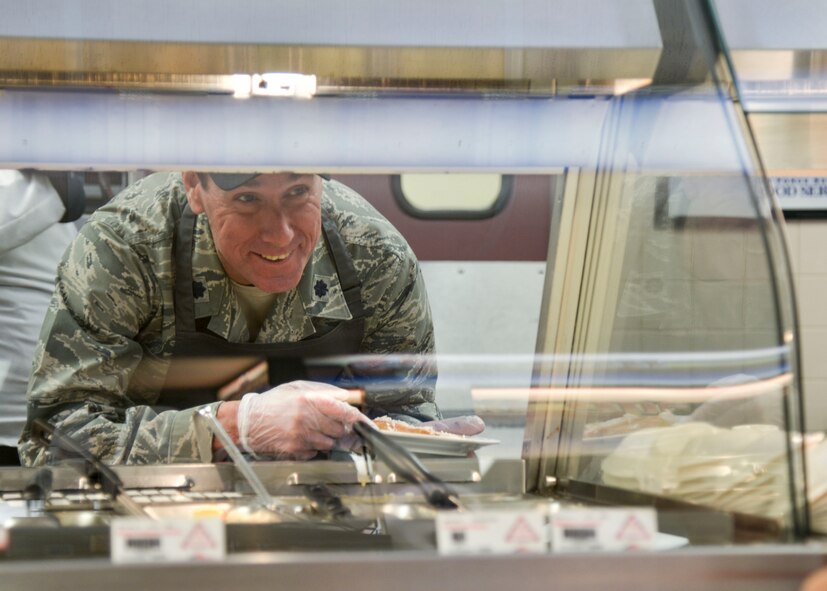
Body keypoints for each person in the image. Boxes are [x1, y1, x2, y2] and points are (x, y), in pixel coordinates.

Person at [19, 171, 442, 465]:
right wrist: (234, 427)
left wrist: (418, 440)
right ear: (194, 187)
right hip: (153, 533)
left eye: (298, 192)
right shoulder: (127, 250)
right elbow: (55, 438)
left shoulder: (375, 254)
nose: (280, 234)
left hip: (327, 521)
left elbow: (407, 416)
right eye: (247, 199)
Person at [0, 170, 81, 465]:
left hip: (22, 405)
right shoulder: (27, 185)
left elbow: (65, 192)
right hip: (44, 401)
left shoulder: (25, 187)